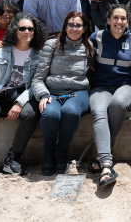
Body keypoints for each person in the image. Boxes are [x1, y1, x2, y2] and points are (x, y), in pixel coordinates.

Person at [0, 13, 48, 180]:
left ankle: (12, 159)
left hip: (22, 96)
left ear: (35, 32)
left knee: (32, 113)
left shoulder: (39, 54)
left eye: (30, 29)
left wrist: (20, 103)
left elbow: (37, 82)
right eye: (22, 28)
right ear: (15, 30)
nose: (26, 31)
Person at [31, 11, 94, 176]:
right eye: (70, 24)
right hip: (53, 92)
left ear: (84, 28)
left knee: (70, 112)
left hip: (78, 92)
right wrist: (43, 95)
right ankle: (49, 155)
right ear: (65, 26)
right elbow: (37, 78)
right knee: (50, 114)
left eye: (78, 25)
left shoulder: (89, 47)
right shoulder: (51, 45)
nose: (74, 28)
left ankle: (61, 153)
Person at [88, 4, 131, 187]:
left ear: (128, 21)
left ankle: (103, 153)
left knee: (117, 103)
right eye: (115, 18)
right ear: (108, 20)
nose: (119, 22)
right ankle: (107, 165)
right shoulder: (97, 37)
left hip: (126, 86)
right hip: (101, 87)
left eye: (123, 18)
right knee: (99, 112)